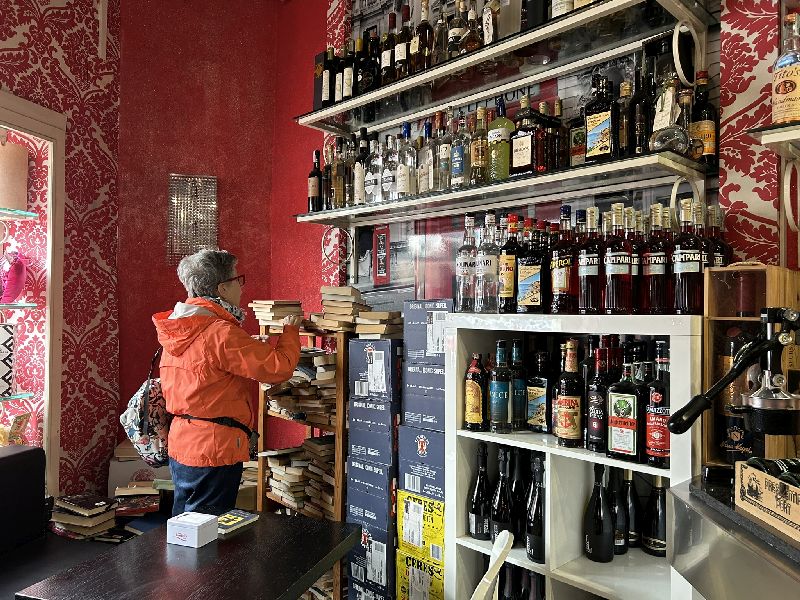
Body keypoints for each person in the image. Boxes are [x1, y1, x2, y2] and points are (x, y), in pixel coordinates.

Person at [153, 249, 301, 515]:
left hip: (183, 441)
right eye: (238, 279)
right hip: (214, 447)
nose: (241, 287)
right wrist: (291, 331)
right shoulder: (220, 332)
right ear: (222, 288)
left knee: (183, 528)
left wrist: (249, 346)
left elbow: (207, 369)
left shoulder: (180, 327)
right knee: (207, 532)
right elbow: (278, 368)